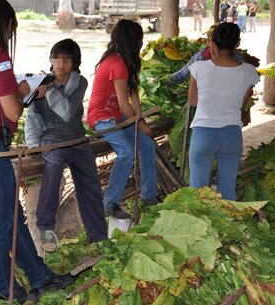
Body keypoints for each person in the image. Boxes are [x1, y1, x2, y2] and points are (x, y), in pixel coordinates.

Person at [0, 0, 75, 303]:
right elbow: (13, 113)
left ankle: (39, 276)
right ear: (6, 25)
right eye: (11, 31)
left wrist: (15, 92)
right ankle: (3, 285)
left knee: (11, 214)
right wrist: (23, 91)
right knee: (3, 219)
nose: (10, 37)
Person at [25, 39, 107, 252]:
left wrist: (51, 91)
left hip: (77, 139)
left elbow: (68, 111)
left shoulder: (79, 82)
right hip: (52, 139)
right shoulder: (40, 83)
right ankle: (46, 228)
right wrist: (33, 145)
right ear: (51, 60)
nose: (60, 64)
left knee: (89, 182)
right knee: (52, 167)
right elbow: (32, 117)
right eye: (56, 58)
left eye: (66, 59)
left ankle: (98, 236)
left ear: (75, 63)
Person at [86, 19, 160, 221]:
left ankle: (149, 195)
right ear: (132, 41)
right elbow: (123, 105)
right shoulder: (116, 64)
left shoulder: (127, 62)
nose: (142, 43)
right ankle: (110, 203)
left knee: (147, 146)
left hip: (118, 119)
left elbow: (134, 96)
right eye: (140, 39)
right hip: (101, 118)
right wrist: (141, 124)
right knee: (126, 152)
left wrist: (141, 122)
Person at [188, 23, 259, 201]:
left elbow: (193, 102)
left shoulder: (198, 68)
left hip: (203, 134)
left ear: (212, 42)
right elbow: (242, 103)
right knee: (228, 190)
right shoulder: (249, 72)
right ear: (237, 43)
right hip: (231, 134)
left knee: (198, 194)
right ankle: (228, 226)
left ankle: (197, 227)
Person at [169, 23, 245, 85]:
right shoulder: (200, 57)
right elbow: (182, 74)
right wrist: (164, 80)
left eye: (214, 41)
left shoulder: (239, 60)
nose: (210, 44)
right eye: (208, 40)